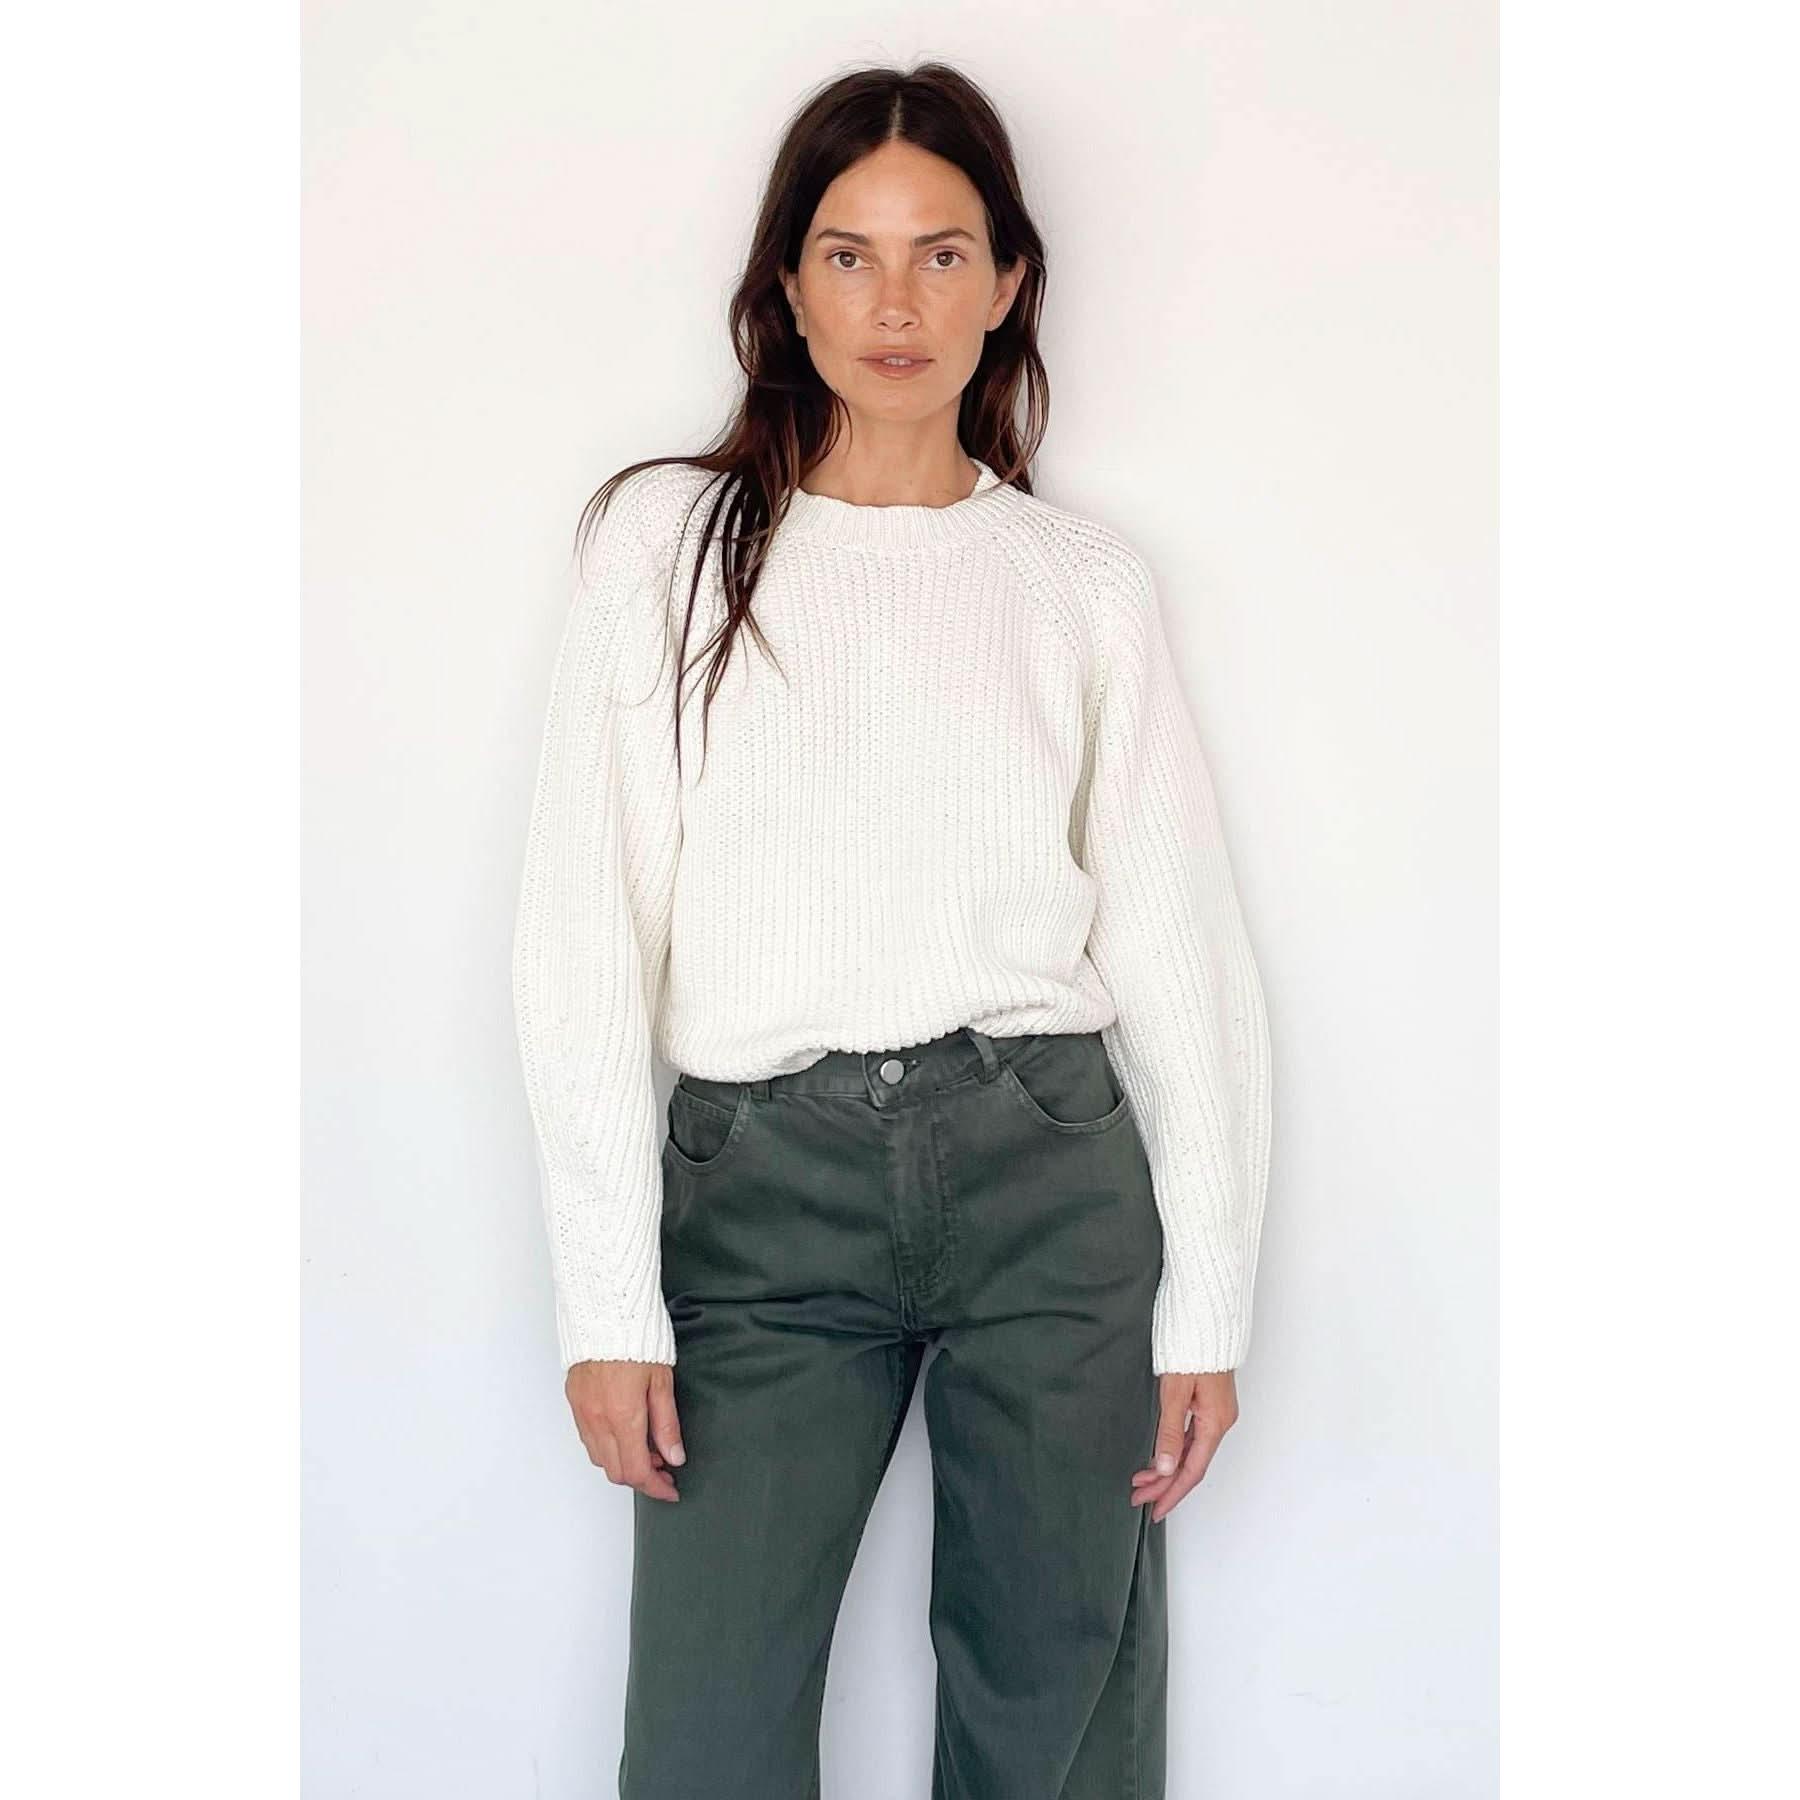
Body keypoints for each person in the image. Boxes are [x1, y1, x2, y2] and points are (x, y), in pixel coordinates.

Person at [510, 60, 1273, 1800]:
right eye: (848, 256)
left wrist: (1206, 1303)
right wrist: (606, 1298)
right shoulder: (670, 549)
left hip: (1048, 1173)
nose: (897, 303)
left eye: (943, 255)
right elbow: (579, 938)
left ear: (1009, 284)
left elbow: (1180, 957)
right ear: (786, 287)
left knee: (1053, 1707)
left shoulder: (1080, 584)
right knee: (709, 1729)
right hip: (760, 1193)